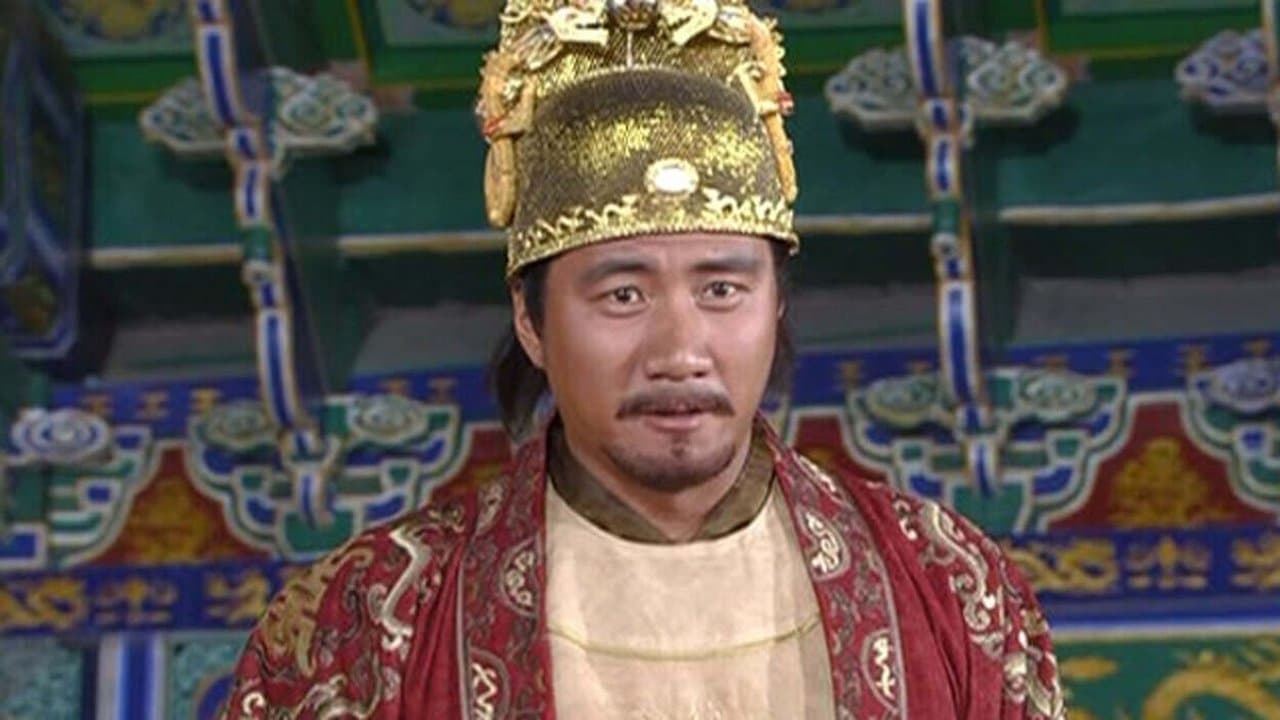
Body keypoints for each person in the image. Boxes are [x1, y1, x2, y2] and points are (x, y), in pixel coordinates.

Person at [220, 0, 1065, 717]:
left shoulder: (947, 589)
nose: (680, 351)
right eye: (623, 295)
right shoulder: (370, 625)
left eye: (722, 290)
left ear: (776, 302)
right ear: (530, 320)